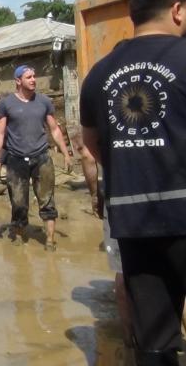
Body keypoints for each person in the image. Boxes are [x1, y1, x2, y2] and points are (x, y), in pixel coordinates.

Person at [80, 0, 186, 365]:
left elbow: (90, 147)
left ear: (133, 14)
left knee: (155, 340)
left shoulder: (99, 75)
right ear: (177, 10)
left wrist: (133, 168)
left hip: (133, 218)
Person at [0, 65, 71, 251]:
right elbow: (0, 132)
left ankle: (50, 241)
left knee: (47, 200)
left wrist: (67, 154)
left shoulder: (43, 101)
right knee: (18, 202)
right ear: (18, 81)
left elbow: (55, 130)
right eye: (29, 77)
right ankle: (20, 239)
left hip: (42, 158)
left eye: (34, 76)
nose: (34, 79)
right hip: (16, 160)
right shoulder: (6, 103)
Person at [69, 127, 134, 352]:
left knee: (123, 272)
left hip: (120, 196)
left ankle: (130, 342)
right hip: (170, 195)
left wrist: (95, 195)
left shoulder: (100, 99)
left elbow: (87, 155)